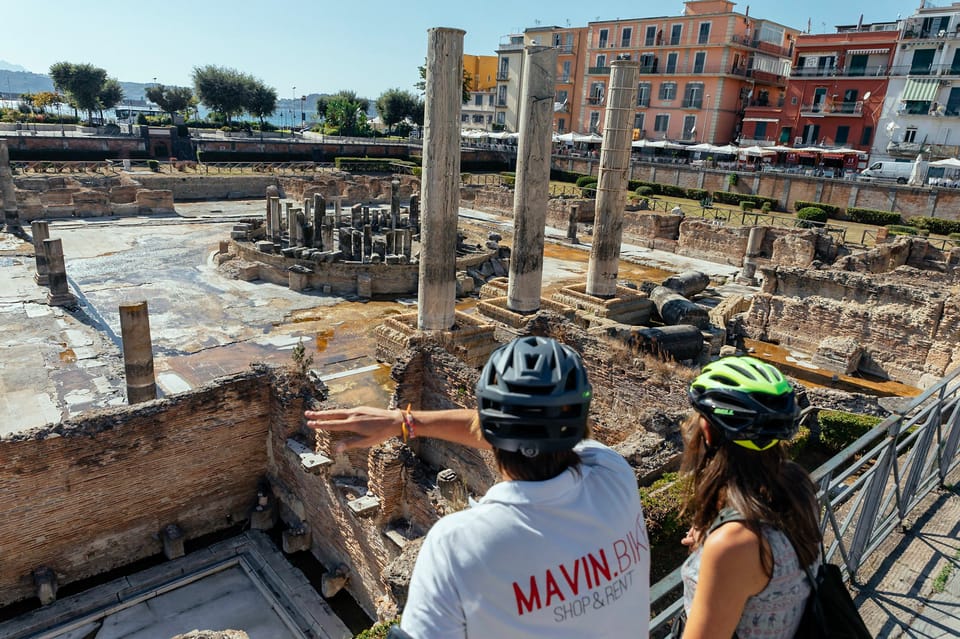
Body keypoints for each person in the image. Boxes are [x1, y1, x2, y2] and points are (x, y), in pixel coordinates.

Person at [305, 336, 650, 639]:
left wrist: (404, 423)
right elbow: (528, 429)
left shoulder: (458, 546)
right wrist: (403, 422)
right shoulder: (614, 473)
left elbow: (507, 429)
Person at [677, 356, 821, 639]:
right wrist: (710, 539)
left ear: (707, 430)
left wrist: (717, 545)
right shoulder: (797, 483)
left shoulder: (734, 543)